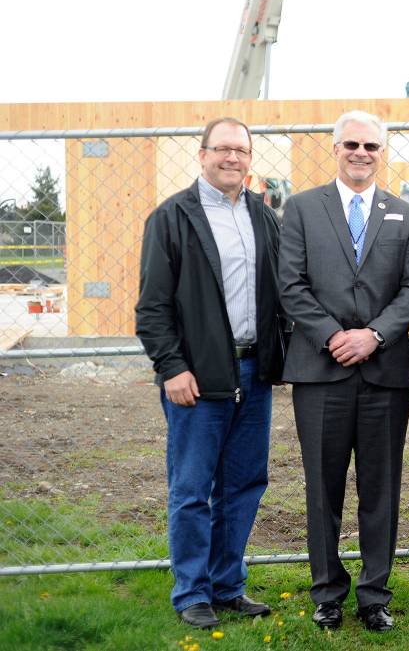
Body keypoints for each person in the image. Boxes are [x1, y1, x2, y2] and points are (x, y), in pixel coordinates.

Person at [278, 110, 409, 633]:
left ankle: (374, 595)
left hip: (384, 373)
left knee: (381, 488)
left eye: (371, 146)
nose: (361, 153)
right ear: (335, 148)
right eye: (352, 145)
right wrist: (334, 335)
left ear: (383, 152)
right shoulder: (299, 210)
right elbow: (290, 284)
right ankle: (327, 593)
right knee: (323, 487)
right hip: (321, 373)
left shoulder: (405, 216)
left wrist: (376, 334)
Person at [136, 117, 283, 629]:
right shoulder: (173, 217)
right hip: (198, 378)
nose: (232, 159)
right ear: (202, 155)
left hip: (253, 373)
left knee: (244, 483)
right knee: (193, 487)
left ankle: (228, 584)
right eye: (222, 149)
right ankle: (192, 592)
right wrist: (171, 367)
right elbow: (152, 306)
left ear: (250, 157)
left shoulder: (264, 218)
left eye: (241, 151)